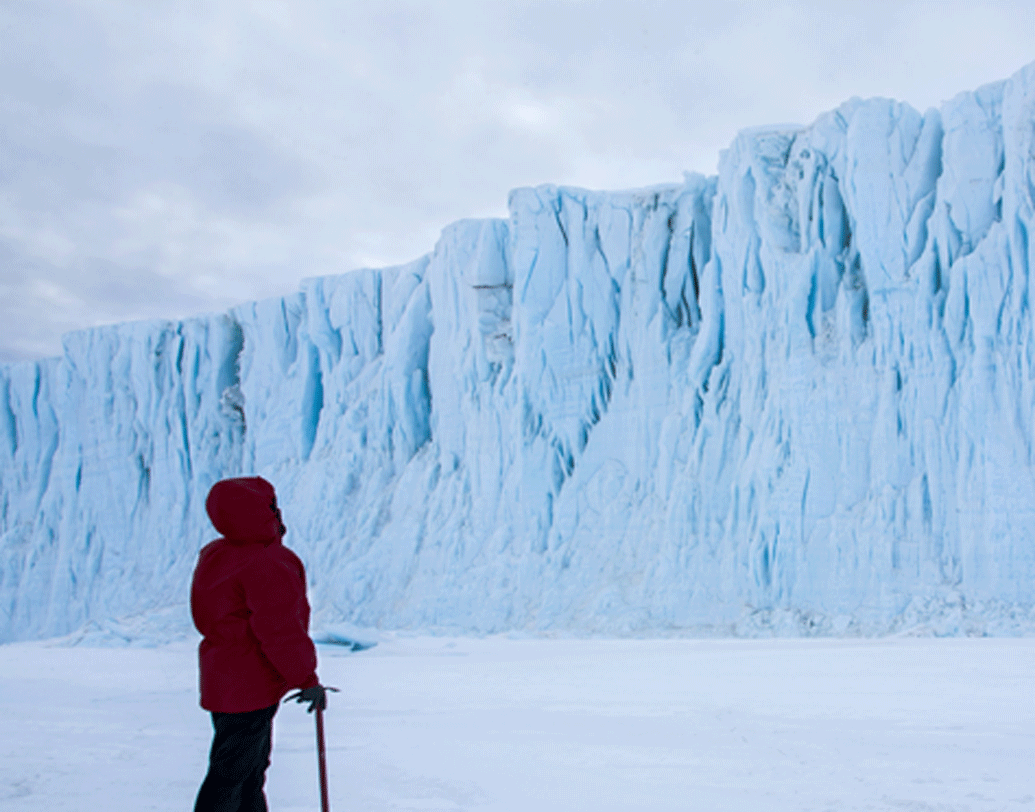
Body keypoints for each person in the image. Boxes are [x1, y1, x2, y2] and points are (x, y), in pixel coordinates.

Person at [191, 476, 329, 812]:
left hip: (221, 678)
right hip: (250, 684)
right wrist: (306, 679)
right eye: (270, 506)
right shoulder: (268, 562)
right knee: (233, 773)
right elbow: (281, 630)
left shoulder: (216, 554)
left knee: (246, 770)